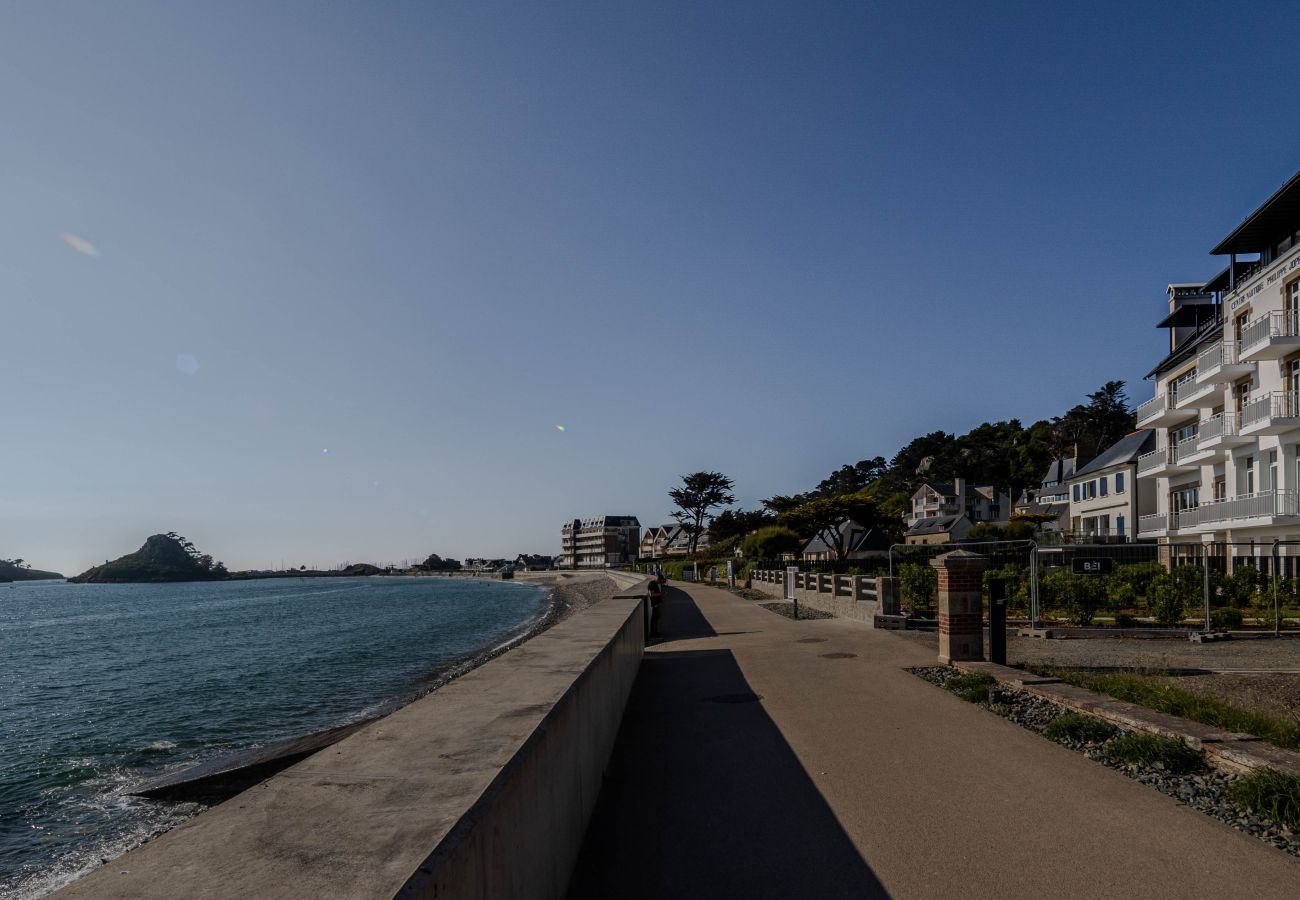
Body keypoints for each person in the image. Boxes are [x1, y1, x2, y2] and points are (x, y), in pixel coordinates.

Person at [647, 574, 666, 638]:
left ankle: (655, 632)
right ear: (658, 579)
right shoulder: (651, 584)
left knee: (656, 618)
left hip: (657, 604)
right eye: (661, 580)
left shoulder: (655, 584)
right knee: (654, 619)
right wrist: (660, 594)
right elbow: (651, 594)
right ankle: (653, 633)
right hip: (655, 604)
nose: (661, 582)